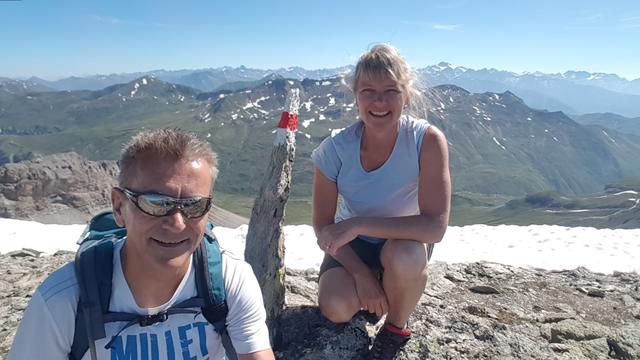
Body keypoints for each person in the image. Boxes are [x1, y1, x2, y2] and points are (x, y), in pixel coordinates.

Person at [8, 129, 275, 360]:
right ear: (119, 207)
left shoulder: (229, 281)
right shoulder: (64, 300)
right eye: (156, 203)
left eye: (194, 206)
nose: (178, 223)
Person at [311, 44, 451, 359]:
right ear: (355, 95)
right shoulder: (334, 150)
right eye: (368, 91)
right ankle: (377, 285)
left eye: (391, 90)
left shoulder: (426, 141)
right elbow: (322, 226)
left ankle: (395, 330)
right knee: (336, 307)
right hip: (352, 246)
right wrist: (361, 275)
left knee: (405, 257)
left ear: (407, 94)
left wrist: (359, 223)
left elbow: (434, 228)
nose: (379, 101)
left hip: (403, 242)